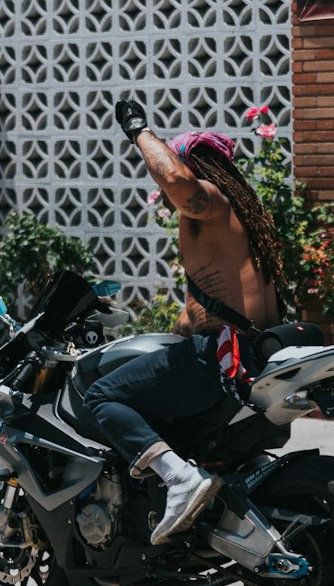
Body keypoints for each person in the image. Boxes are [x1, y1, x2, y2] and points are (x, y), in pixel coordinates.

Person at [84, 97, 286, 545]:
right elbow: (205, 307)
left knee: (100, 396)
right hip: (254, 354)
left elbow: (174, 177)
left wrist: (138, 130)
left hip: (222, 362)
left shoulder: (209, 200)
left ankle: (178, 478)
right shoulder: (244, 222)